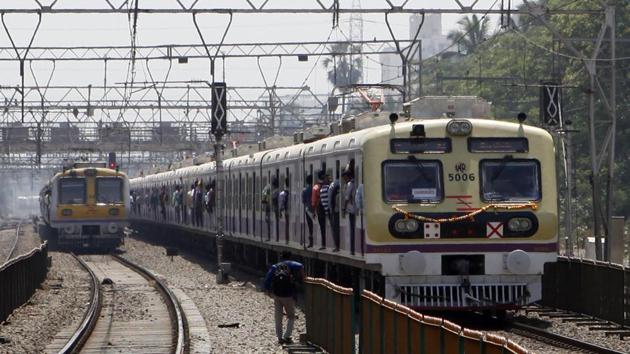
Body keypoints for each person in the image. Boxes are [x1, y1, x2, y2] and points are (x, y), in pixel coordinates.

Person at [263, 251, 304, 345]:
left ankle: (279, 337)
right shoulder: (291, 264)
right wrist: (303, 278)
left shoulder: (275, 266)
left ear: (281, 257)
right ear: (290, 257)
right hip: (288, 295)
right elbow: (301, 266)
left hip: (277, 295)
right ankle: (287, 336)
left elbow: (267, 279)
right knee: (291, 316)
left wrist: (267, 290)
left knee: (278, 317)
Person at [311, 170, 327, 250]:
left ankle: (323, 244)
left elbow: (313, 202)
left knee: (322, 226)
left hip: (320, 208)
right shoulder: (326, 186)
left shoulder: (315, 187)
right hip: (326, 206)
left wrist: (313, 212)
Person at [342, 170, 356, 255]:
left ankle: (352, 249)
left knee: (352, 229)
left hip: (351, 209)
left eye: (344, 178)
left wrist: (343, 209)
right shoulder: (354, 183)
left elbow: (347, 197)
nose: (344, 180)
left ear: (348, 176)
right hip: (353, 209)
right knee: (352, 229)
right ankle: (352, 249)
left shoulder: (350, 184)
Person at [327, 173, 340, 252]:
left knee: (335, 229)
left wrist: (330, 210)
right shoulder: (343, 184)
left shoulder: (332, 185)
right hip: (341, 210)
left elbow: (329, 199)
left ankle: (337, 246)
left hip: (334, 210)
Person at [302, 175, 314, 248]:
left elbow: (303, 201)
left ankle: (311, 242)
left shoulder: (304, 190)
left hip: (307, 209)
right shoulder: (313, 189)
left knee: (310, 226)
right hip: (313, 209)